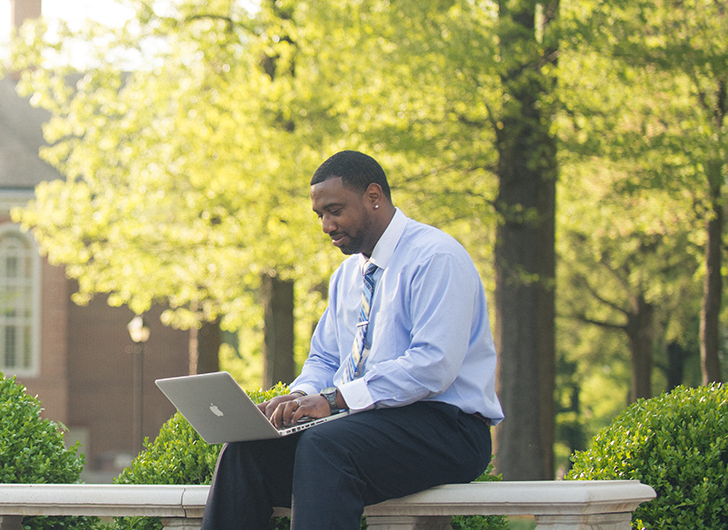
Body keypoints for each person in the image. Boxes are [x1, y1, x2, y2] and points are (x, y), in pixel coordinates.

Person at [200, 151, 504, 529]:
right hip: (363, 425)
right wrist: (299, 398)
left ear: (373, 197)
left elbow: (433, 365)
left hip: (448, 428)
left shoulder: (436, 257)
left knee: (327, 447)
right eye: (320, 216)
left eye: (334, 211)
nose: (326, 225)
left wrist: (335, 399)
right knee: (246, 453)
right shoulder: (347, 276)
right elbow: (325, 359)